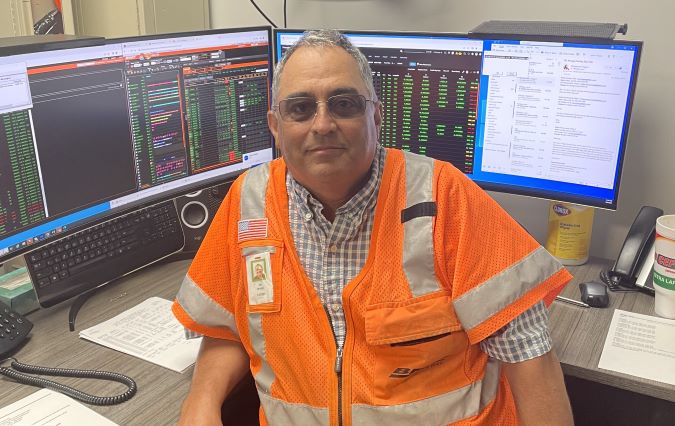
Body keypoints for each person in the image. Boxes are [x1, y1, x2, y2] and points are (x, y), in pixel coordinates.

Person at [172, 29, 574, 425]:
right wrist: (200, 402)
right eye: (300, 109)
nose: (323, 124)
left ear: (376, 115)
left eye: (344, 104)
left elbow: (528, 352)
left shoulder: (444, 195)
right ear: (276, 126)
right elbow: (227, 327)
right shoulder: (249, 200)